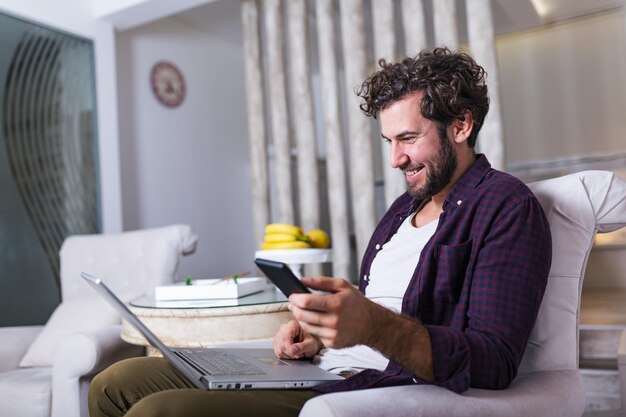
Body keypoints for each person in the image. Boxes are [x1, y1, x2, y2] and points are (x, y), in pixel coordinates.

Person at [88, 47, 551, 417]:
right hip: (320, 366)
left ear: (461, 126)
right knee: (114, 383)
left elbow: (494, 358)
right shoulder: (400, 211)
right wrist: (321, 331)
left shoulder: (506, 207)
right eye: (389, 142)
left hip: (363, 388)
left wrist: (370, 325)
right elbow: (384, 303)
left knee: (159, 411)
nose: (395, 159)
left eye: (408, 139)